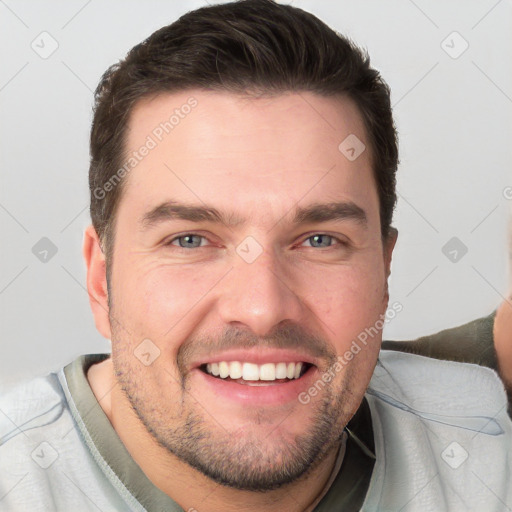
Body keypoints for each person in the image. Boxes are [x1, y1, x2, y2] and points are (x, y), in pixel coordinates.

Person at [0, 1, 510, 511]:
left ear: (384, 270)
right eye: (191, 240)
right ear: (101, 278)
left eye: (319, 240)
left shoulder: (481, 437)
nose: (263, 309)